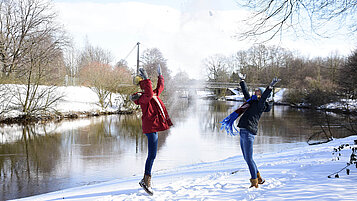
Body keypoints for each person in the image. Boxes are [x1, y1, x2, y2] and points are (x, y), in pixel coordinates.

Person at [220, 73, 280, 188]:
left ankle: (254, 182)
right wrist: (242, 81)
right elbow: (246, 93)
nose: (256, 92)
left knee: (249, 158)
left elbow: (263, 98)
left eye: (258, 91)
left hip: (249, 132)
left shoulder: (261, 105)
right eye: (256, 91)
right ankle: (259, 178)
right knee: (247, 158)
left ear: (262, 95)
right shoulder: (251, 102)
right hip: (243, 130)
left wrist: (270, 87)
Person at [130, 64, 173, 196]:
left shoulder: (150, 95)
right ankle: (146, 180)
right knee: (152, 155)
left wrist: (160, 76)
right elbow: (148, 92)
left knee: (152, 155)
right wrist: (146, 79)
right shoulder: (142, 98)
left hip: (153, 126)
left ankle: (145, 180)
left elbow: (159, 88)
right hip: (150, 127)